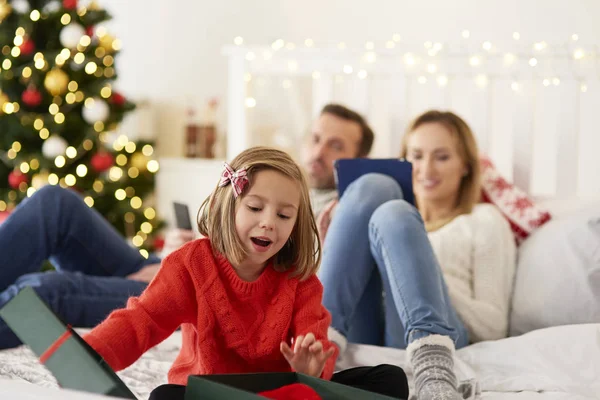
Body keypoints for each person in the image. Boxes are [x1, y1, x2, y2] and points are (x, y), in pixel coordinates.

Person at [0, 102, 370, 350]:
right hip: (173, 265)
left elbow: (292, 293)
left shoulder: (347, 213)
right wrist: (174, 257)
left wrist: (180, 275)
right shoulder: (278, 181)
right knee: (55, 202)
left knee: (44, 292)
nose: (318, 152)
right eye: (315, 138)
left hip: (197, 293)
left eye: (335, 146)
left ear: (358, 159)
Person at [82, 147, 408, 400]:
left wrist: (311, 369)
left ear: (295, 227)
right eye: (255, 208)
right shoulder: (192, 263)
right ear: (229, 206)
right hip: (210, 393)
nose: (268, 222)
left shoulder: (300, 280)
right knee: (163, 396)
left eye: (283, 215)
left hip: (280, 392)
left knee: (391, 379)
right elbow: (144, 320)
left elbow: (316, 344)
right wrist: (91, 352)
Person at [317, 110, 516, 400]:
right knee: (373, 185)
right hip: (366, 328)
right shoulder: (376, 221)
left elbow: (494, 326)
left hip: (439, 334)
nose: (426, 169)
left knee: (394, 213)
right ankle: (320, 348)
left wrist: (422, 273)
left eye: (442, 156)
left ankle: (434, 371)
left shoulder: (484, 220)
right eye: (416, 156)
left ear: (465, 165)